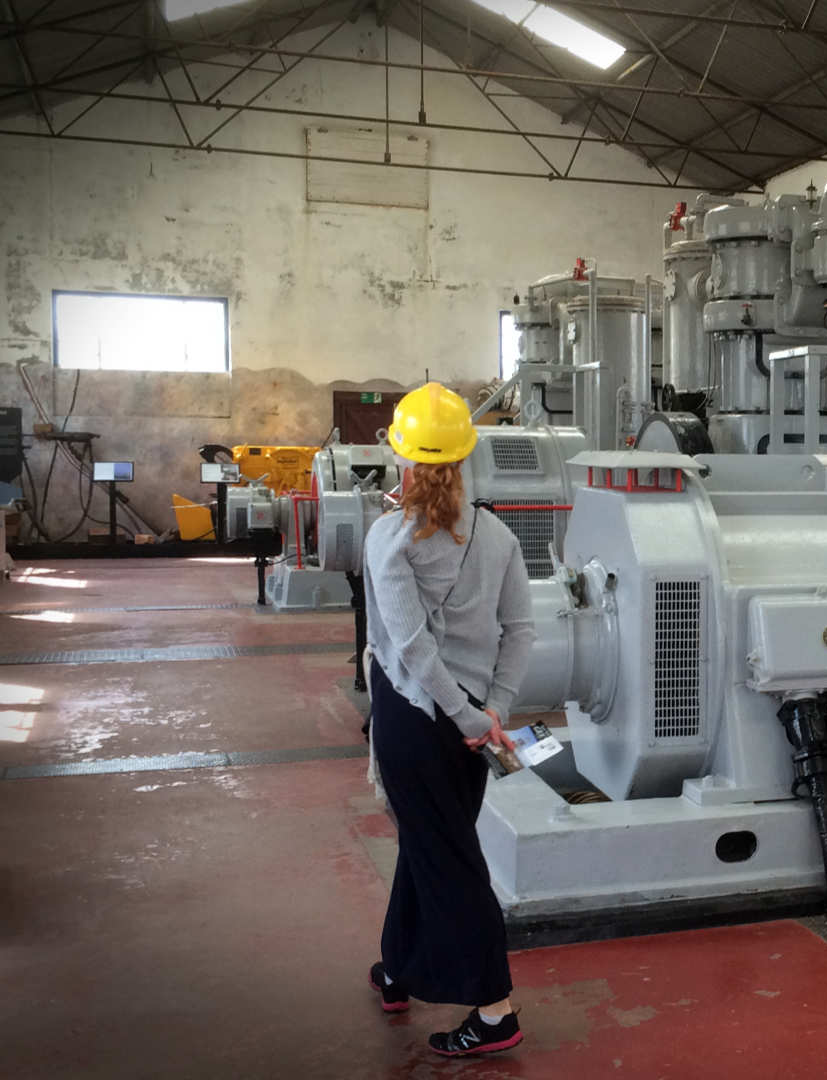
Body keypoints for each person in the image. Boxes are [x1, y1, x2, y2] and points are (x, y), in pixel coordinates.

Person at [361, 382, 534, 1057]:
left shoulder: (390, 536)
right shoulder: (497, 535)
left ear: (401, 456)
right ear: (466, 456)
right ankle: (400, 968)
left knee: (450, 860)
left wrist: (463, 716)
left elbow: (408, 647)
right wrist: (494, 711)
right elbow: (520, 630)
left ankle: (496, 1012)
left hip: (419, 719)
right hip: (474, 723)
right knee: (432, 844)